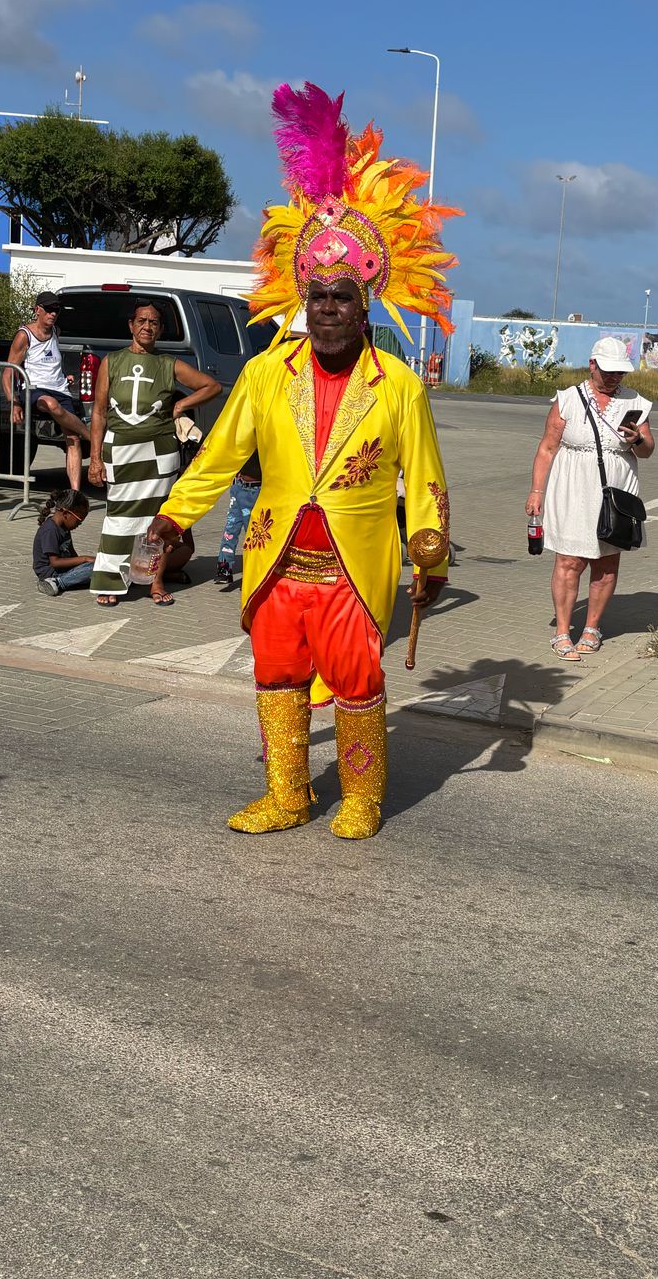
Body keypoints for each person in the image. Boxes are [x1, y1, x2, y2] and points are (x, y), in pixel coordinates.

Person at [146, 80, 457, 840]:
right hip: (276, 554)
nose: (327, 309)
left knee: (357, 679)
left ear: (365, 302)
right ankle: (289, 796)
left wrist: (432, 552)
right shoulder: (264, 374)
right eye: (317, 296)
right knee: (276, 674)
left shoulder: (398, 385)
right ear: (303, 299)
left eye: (341, 297)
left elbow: (424, 475)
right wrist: (174, 516)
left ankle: (362, 797)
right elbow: (220, 455)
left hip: (354, 562)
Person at [527, 337, 656, 657]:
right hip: (572, 488)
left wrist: (637, 439)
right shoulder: (568, 399)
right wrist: (536, 491)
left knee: (607, 561)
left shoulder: (634, 402)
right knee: (569, 560)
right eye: (608, 371)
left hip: (616, 491)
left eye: (619, 373)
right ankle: (562, 631)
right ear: (592, 365)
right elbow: (547, 448)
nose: (614, 378)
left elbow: (647, 451)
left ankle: (592, 628)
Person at [87, 299, 221, 606]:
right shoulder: (112, 362)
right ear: (131, 326)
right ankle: (111, 580)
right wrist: (95, 459)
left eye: (154, 323)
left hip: (160, 452)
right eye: (142, 321)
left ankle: (154, 581)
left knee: (158, 519)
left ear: (160, 330)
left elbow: (211, 386)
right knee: (118, 517)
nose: (147, 327)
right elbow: (99, 412)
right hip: (120, 449)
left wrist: (181, 404)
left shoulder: (168, 364)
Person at [4, 291, 89, 493]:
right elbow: (8, 372)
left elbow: (50, 362)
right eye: (49, 309)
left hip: (59, 388)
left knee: (73, 439)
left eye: (56, 310)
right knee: (51, 404)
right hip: (35, 390)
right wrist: (14, 402)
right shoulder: (24, 335)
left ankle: (75, 493)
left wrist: (65, 376)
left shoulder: (56, 331)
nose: (53, 314)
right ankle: (93, 438)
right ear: (37, 310)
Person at [32, 485, 96, 594]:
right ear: (66, 514)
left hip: (64, 570)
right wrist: (84, 559)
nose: (79, 524)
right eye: (78, 521)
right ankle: (56, 583)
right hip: (51, 573)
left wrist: (82, 566)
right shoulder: (50, 530)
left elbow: (72, 553)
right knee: (93, 568)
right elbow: (55, 562)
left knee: (98, 567)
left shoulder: (64, 527)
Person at [216, 455, 263, 592]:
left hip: (258, 491)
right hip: (239, 487)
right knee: (230, 530)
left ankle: (251, 575)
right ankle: (224, 569)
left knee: (253, 535)